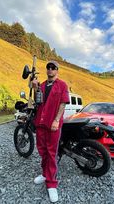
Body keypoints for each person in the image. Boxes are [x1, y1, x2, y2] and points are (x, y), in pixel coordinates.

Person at [32, 60, 69, 203]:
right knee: (42, 150)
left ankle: (52, 183)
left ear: (57, 70)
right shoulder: (41, 85)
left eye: (53, 68)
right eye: (48, 67)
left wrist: (56, 120)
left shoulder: (62, 85)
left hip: (53, 124)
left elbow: (63, 103)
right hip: (41, 123)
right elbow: (38, 101)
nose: (50, 70)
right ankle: (44, 174)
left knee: (52, 153)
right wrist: (35, 88)